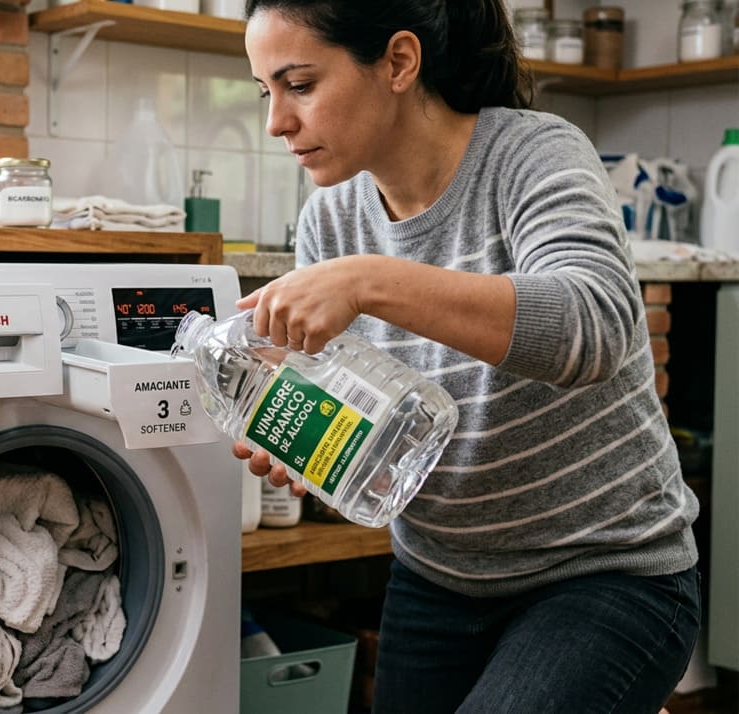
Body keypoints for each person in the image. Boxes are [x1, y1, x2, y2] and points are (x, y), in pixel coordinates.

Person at [236, 1, 702, 711]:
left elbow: (597, 325)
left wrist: (367, 282)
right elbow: (384, 426)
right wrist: (317, 446)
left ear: (398, 61)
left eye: (299, 85)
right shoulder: (328, 222)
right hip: (439, 582)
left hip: (609, 574)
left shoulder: (531, 154)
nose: (277, 122)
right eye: (265, 91)